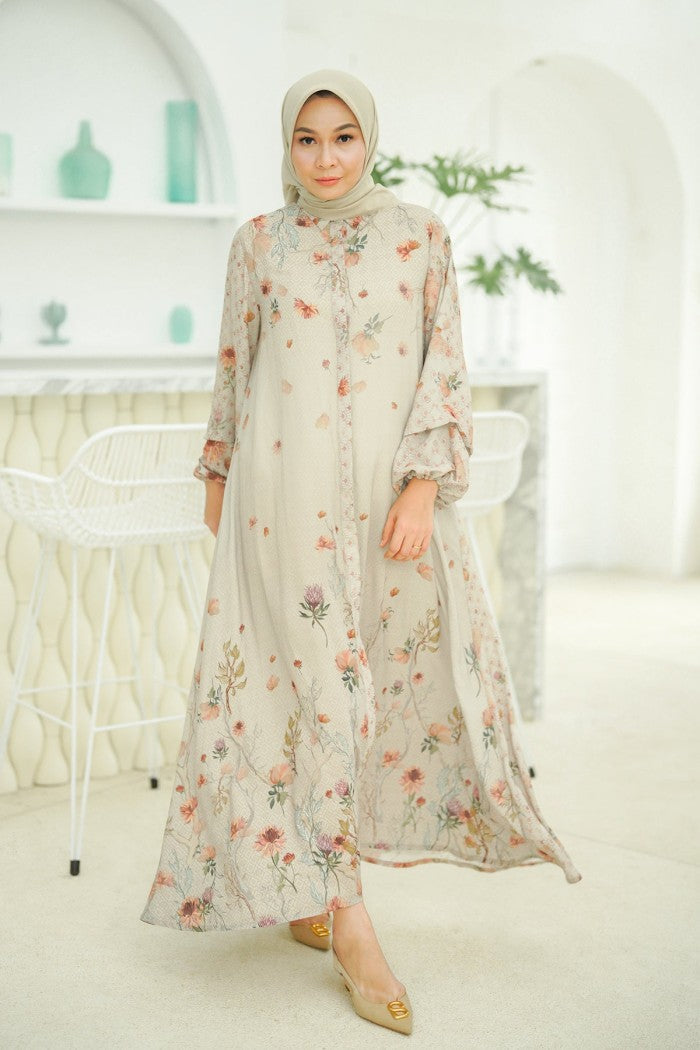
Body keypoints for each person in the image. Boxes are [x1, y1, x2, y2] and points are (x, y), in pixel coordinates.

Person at [140, 67, 582, 1035]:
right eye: (307, 139)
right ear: (287, 146)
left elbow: (444, 364)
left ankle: (314, 879)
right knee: (302, 694)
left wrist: (423, 483)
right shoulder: (259, 242)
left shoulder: (420, 235)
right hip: (277, 505)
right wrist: (217, 479)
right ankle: (348, 920)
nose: (326, 157)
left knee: (383, 687)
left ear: (369, 140)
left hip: (390, 509)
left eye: (343, 137)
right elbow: (235, 366)